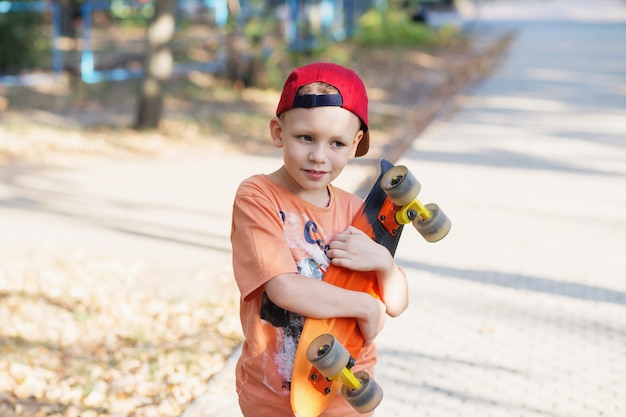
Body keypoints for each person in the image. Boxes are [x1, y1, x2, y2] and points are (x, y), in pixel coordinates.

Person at [230, 62, 409, 417]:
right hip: (273, 395)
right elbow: (285, 289)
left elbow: (396, 304)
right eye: (305, 138)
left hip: (345, 392)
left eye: (337, 143)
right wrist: (364, 307)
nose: (318, 156)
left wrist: (384, 264)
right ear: (278, 132)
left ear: (355, 144)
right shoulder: (258, 196)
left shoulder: (357, 211)